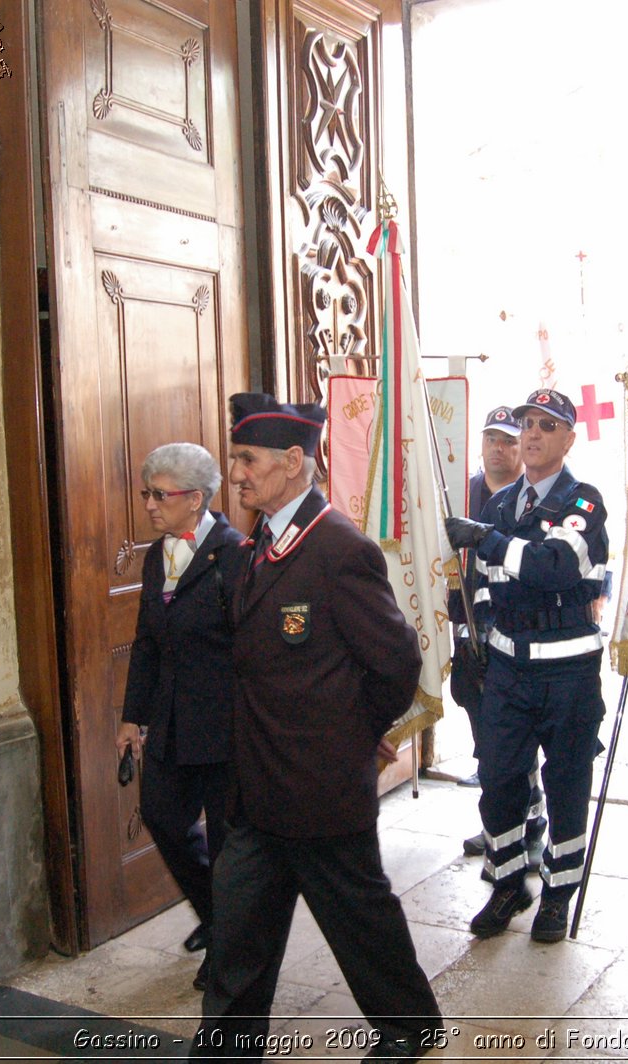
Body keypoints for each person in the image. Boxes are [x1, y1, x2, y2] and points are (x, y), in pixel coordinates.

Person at [194, 393, 441, 1063]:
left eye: (247, 458)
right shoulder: (257, 546)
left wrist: (354, 735)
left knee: (360, 920)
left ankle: (410, 1025)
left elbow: (396, 661)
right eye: (236, 456)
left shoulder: (338, 548)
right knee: (238, 936)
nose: (236, 471)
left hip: (321, 789)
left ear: (295, 461)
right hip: (255, 788)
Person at [444, 387, 609, 944]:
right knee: (500, 781)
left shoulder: (583, 502)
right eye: (525, 425)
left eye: (545, 425)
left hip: (568, 673)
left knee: (566, 785)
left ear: (568, 437)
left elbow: (555, 567)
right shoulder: (498, 505)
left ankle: (559, 894)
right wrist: (481, 642)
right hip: (509, 671)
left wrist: (490, 542)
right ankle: (510, 883)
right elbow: (486, 587)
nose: (532, 434)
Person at [117, 442, 245, 993]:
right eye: (147, 493)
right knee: (163, 817)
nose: (149, 504)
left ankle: (230, 945)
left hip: (223, 728)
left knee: (226, 843)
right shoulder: (154, 556)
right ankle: (215, 915)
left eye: (159, 495)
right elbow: (146, 642)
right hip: (169, 721)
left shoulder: (235, 554)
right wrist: (131, 717)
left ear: (195, 499)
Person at [451, 405, 547, 873]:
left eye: (508, 440)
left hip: (511, 636)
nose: (499, 447)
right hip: (469, 632)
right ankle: (496, 825)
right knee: (486, 742)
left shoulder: (525, 500)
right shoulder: (461, 491)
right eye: (492, 437)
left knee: (517, 744)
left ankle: (530, 826)